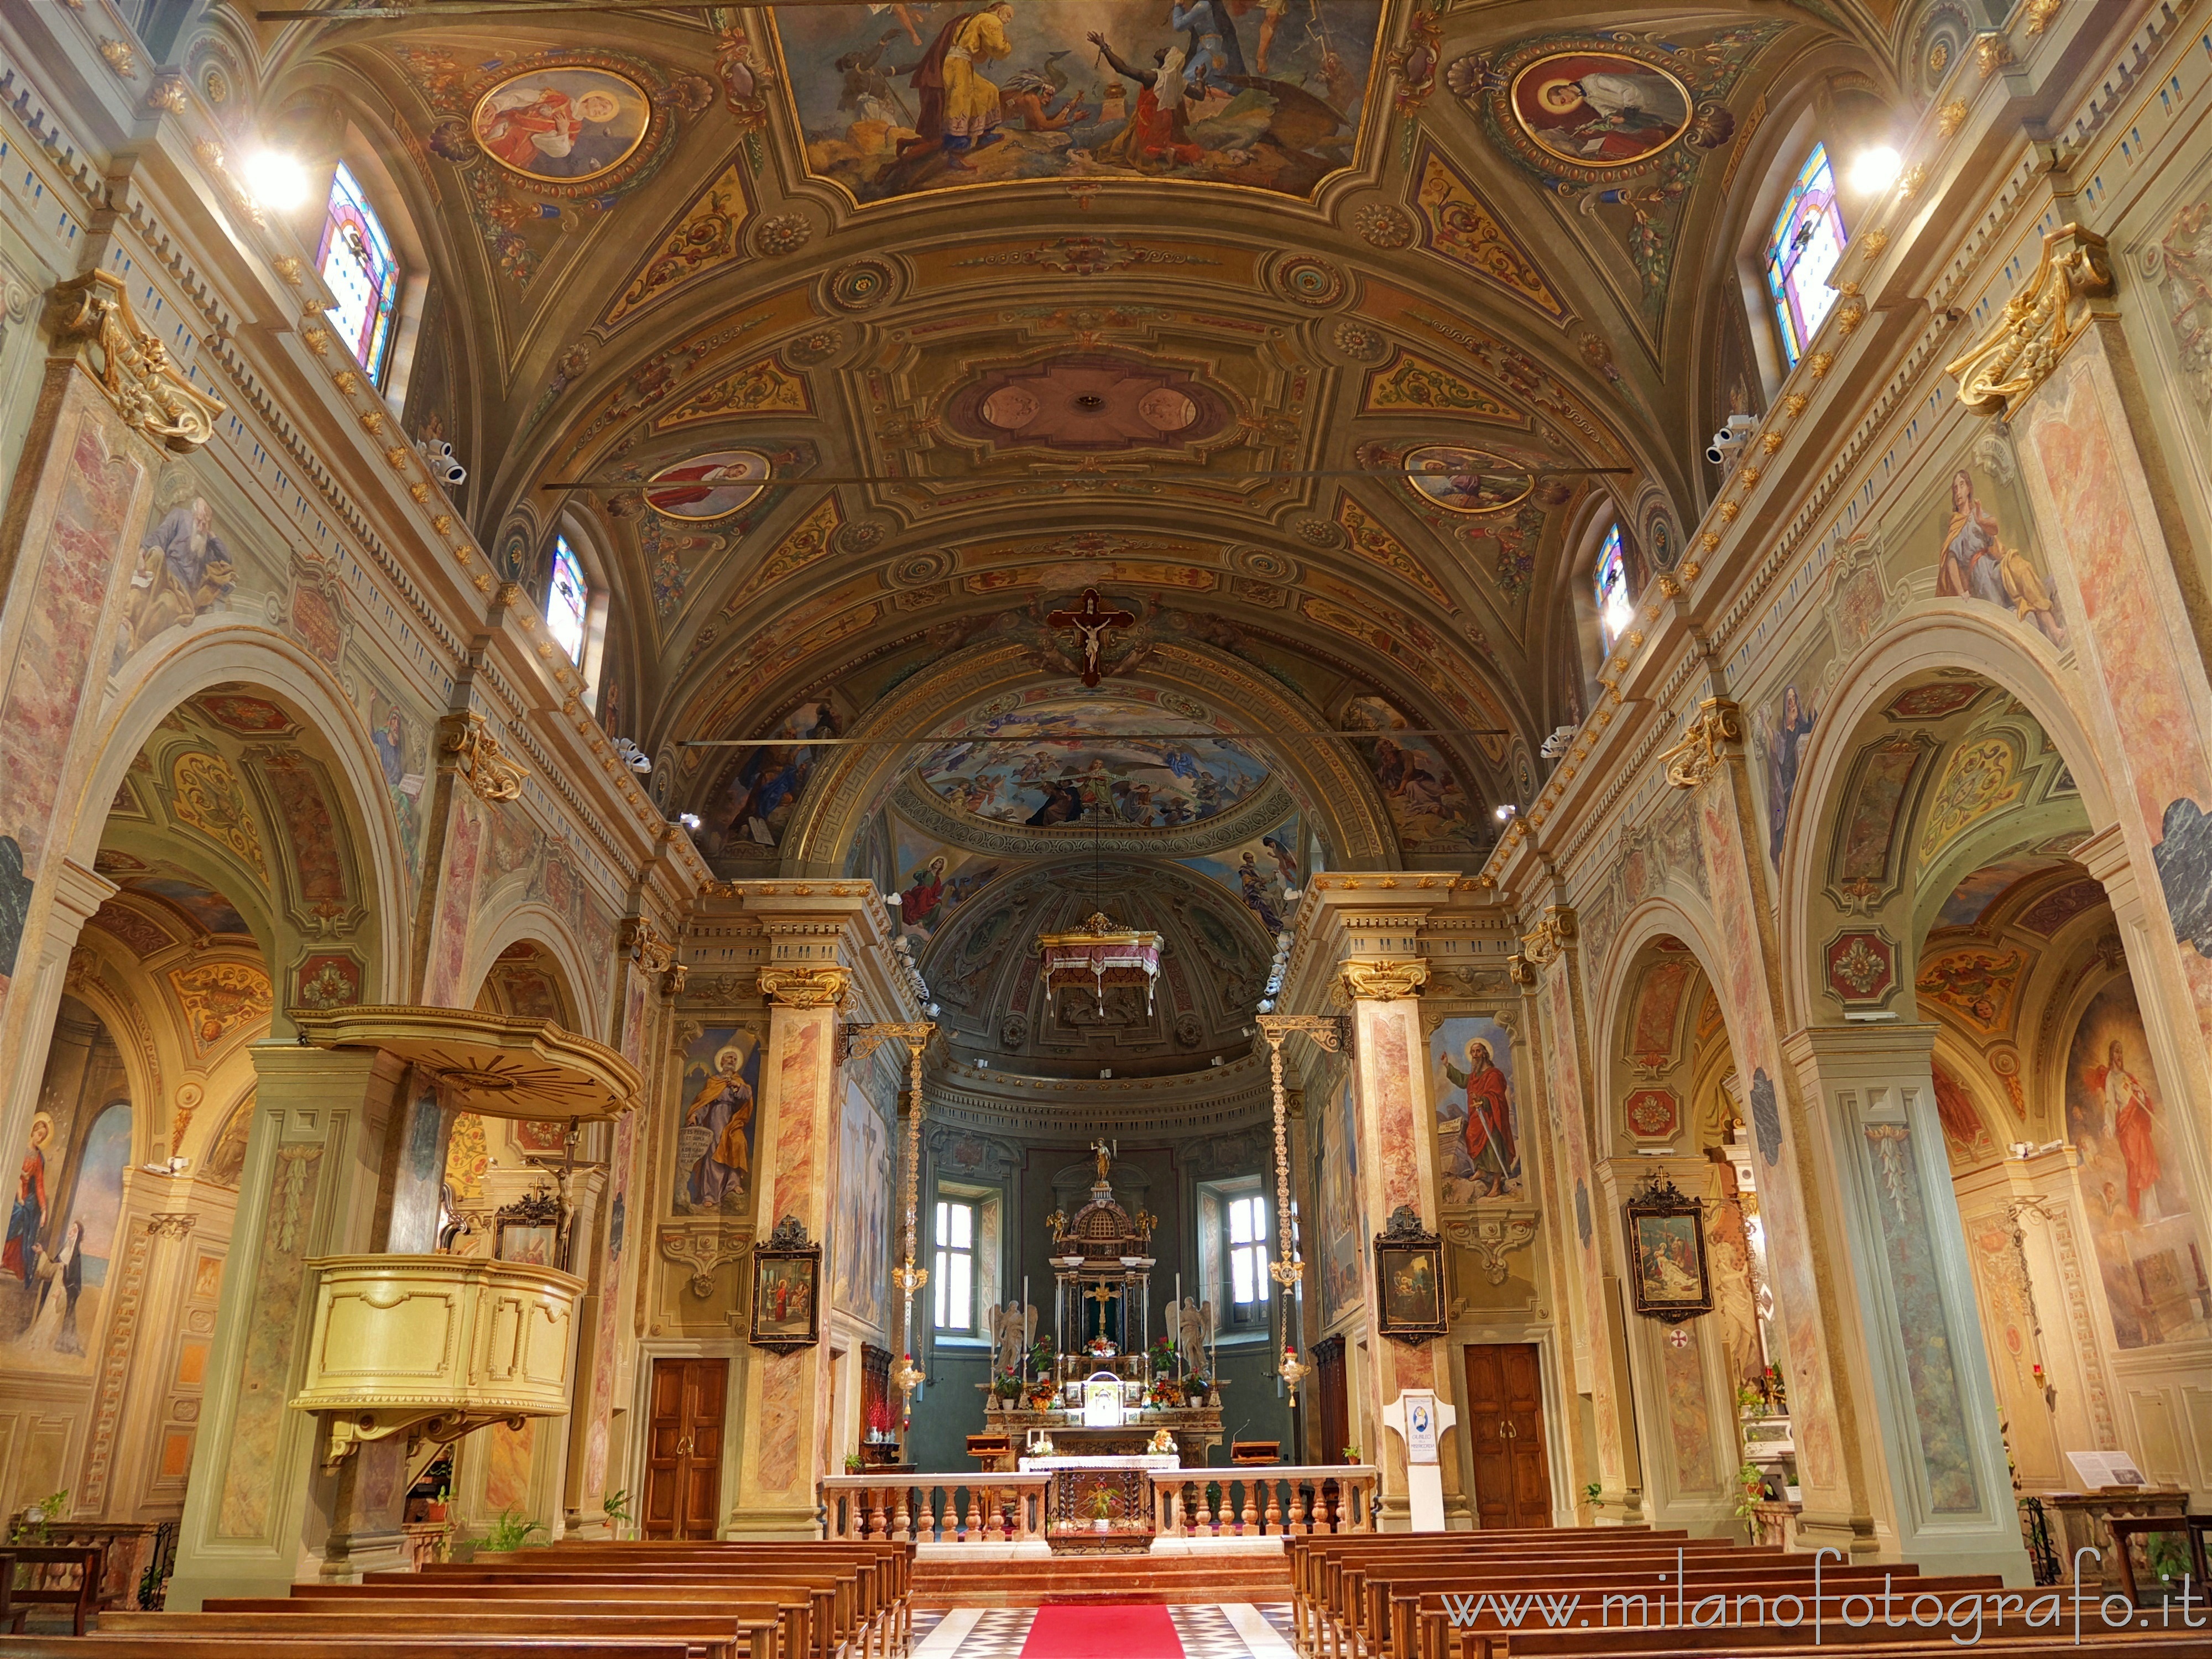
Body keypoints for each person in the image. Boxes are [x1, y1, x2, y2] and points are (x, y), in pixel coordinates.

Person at [121, 497, 234, 657]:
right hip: (164, 576)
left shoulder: (206, 545)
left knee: (167, 605)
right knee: (157, 554)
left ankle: (140, 638)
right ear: (193, 514)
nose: (201, 527)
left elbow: (227, 558)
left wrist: (210, 533)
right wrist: (140, 555)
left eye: (206, 524)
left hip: (182, 594)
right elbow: (159, 537)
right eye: (200, 521)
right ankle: (127, 615)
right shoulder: (180, 517)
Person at [905, 0, 1014, 158]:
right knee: (959, 98)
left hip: (958, 63)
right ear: (999, 10)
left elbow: (977, 53)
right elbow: (998, 48)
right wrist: (1007, 45)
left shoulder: (976, 17)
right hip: (958, 64)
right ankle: (956, 140)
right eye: (1009, 15)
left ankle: (984, 134)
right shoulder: (991, 20)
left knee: (987, 90)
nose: (1009, 19)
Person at [1087, 33, 1204, 169]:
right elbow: (1199, 94)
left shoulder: (1153, 76)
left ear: (1169, 59)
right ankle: (1169, 151)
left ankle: (1166, 152)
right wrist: (1199, 77)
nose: (1161, 49)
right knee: (1159, 142)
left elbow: (1122, 68)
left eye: (1165, 50)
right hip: (1166, 120)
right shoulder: (1178, 81)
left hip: (1149, 119)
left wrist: (1103, 46)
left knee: (1137, 150)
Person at [2093, 1039, 2162, 1221]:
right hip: (2127, 1127)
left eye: (2121, 1052)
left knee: (2146, 1162)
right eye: (2116, 1052)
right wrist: (2109, 1124)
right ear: (2111, 1055)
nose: (2119, 1056)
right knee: (2135, 1164)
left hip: (2138, 1123)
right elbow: (2109, 1104)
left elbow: (2142, 1097)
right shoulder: (2111, 1079)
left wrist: (2139, 1093)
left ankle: (2153, 1213)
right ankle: (2141, 1214)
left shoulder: (2128, 1077)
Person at [1442, 1039, 1519, 1194]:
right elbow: (1463, 1080)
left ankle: (1496, 1184)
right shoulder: (1473, 1077)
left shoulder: (1494, 1074)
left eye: (1478, 1051)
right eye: (1473, 1052)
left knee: (1493, 1146)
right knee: (1471, 1136)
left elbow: (1496, 1095)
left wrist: (1483, 1100)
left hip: (1492, 1117)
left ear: (1485, 1053)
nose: (1475, 1055)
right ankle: (1481, 1169)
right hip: (1477, 1115)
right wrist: (1447, 1066)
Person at [684, 1046, 755, 1210]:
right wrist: (695, 1116)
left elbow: (746, 1096)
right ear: (722, 1061)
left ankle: (733, 1184)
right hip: (716, 1117)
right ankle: (710, 1195)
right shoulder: (713, 1081)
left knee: (737, 1143)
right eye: (729, 1058)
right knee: (714, 1151)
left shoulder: (738, 1081)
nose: (732, 1061)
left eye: (735, 1059)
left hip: (732, 1119)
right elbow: (704, 1102)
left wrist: (737, 1086)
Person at [1767, 685, 1815, 861]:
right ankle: (1781, 847)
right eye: (1789, 700)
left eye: (1794, 699)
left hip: (1802, 776)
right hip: (1787, 786)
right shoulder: (1783, 735)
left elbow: (1813, 728)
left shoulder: (1802, 728)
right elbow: (1774, 745)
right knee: (1781, 810)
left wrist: (1812, 705)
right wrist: (1764, 724)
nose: (1792, 703)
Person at [22, 1221, 83, 1356]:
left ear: (77, 1235)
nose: (70, 1232)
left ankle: (45, 1346)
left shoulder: (76, 1257)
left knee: (53, 1321)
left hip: (61, 1296)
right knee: (45, 1318)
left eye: (74, 1231)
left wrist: (63, 1291)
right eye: (71, 1229)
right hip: (52, 1292)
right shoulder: (64, 1251)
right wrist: (42, 1253)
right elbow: (50, 1269)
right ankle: (37, 1345)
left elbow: (75, 1284)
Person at [3, 1117, 49, 1287]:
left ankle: (8, 1259)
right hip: (10, 1190)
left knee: (24, 1214)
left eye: (43, 1137)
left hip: (25, 1197)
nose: (40, 1138)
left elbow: (39, 1185)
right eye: (39, 1134)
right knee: (16, 1212)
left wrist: (44, 1209)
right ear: (32, 1132)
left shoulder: (38, 1158)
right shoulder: (19, 1148)